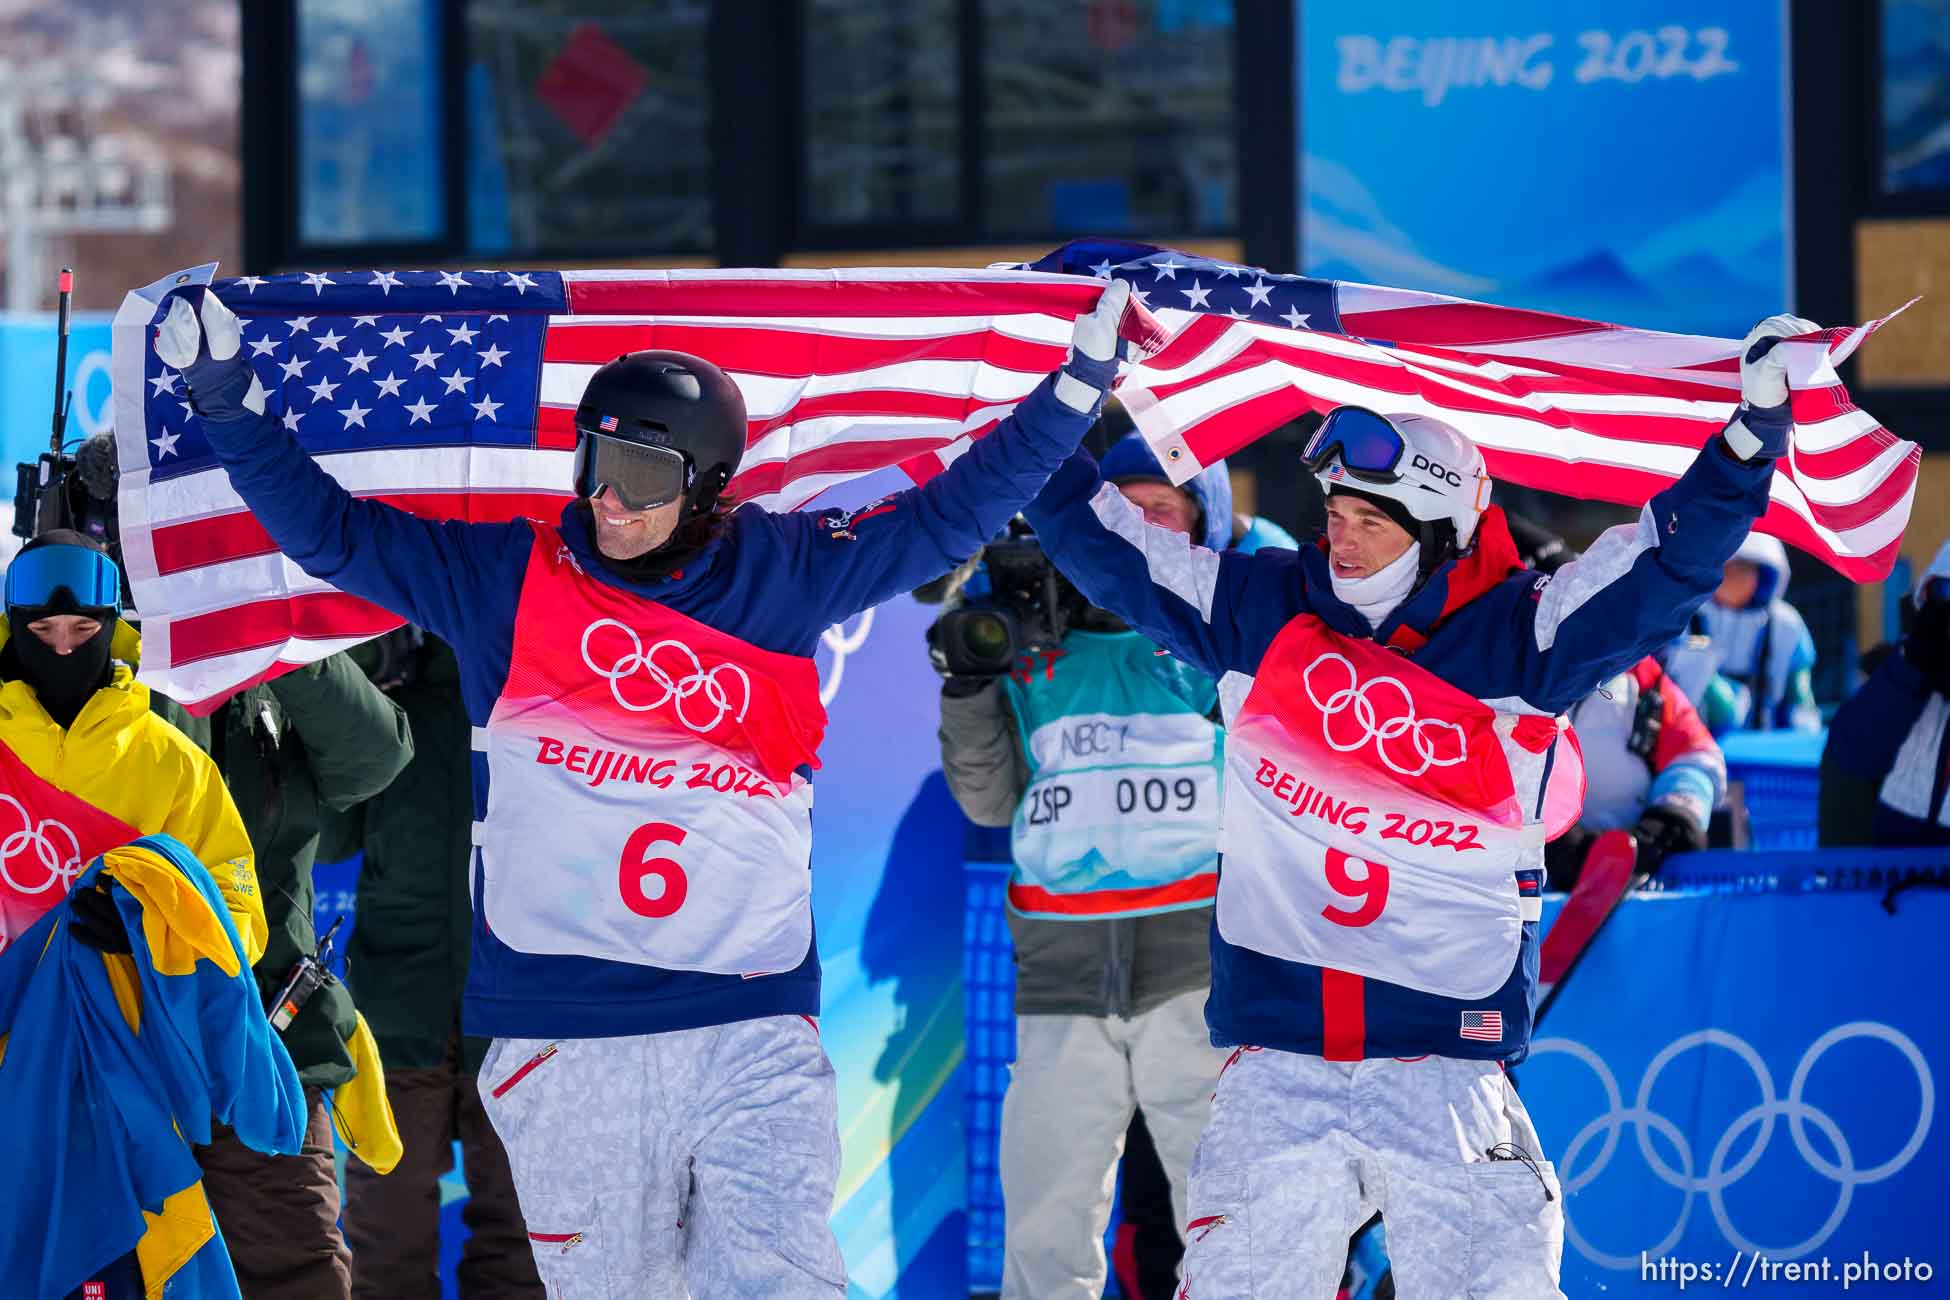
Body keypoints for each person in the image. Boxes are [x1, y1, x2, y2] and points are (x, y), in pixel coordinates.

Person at [154, 276, 1134, 1297]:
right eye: (592, 463)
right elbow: (333, 534)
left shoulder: (783, 572)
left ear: (706, 483)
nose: (605, 498)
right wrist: (229, 398)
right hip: (566, 1035)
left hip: (745, 1025)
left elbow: (948, 515)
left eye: (638, 473)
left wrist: (1073, 390)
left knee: (783, 1281)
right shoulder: (508, 579)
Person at [1017, 315, 1815, 1296]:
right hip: (1278, 1065)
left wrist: (1750, 436)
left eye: (1371, 521)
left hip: (1446, 1069)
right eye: (1334, 514)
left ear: (1437, 533)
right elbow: (1087, 536)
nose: (1341, 540)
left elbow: (1666, 562)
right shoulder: (1258, 611)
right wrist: (1055, 387)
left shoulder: (1525, 640)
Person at [935, 433, 1293, 1300]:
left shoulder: (1228, 624)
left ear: (1204, 527)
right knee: (1045, 1219)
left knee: (1226, 1209)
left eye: (1159, 513)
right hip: (1060, 966)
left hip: (1197, 963)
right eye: (1116, 512)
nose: (1134, 530)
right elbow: (989, 802)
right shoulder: (1030, 629)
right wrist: (970, 683)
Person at [59, 428, 414, 1300]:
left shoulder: (262, 642)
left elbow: (374, 760)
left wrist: (263, 630)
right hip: (110, 1044)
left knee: (296, 1273)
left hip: (264, 1035)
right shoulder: (57, 663)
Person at [0, 531, 267, 1296]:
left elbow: (240, 913)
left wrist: (156, 927)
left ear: (111, 625)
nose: (60, 647)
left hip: (119, 1078)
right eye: (41, 632)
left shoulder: (170, 761)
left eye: (82, 630)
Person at [329, 629, 544, 1300]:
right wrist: (363, 682)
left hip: (512, 1018)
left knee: (514, 1243)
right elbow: (331, 833)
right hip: (403, 1013)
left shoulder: (542, 716)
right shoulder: (394, 713)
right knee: (392, 1244)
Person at [1507, 518, 1725, 888]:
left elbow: (1692, 754)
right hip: (1507, 888)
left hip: (1631, 884)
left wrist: (1669, 820)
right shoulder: (1483, 677)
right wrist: (1544, 849)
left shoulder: (1635, 674)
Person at [1820, 540, 1950, 846]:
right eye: (1945, 596)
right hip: (1888, 882)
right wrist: (1908, 671)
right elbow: (1850, 756)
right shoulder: (1906, 687)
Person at [1664, 531, 1820, 733]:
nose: (1733, 578)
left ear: (1764, 574)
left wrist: (1804, 728)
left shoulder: (1786, 625)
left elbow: (1800, 694)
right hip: (1692, 743)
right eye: (1726, 566)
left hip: (1765, 750)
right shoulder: (1679, 617)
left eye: (1744, 568)